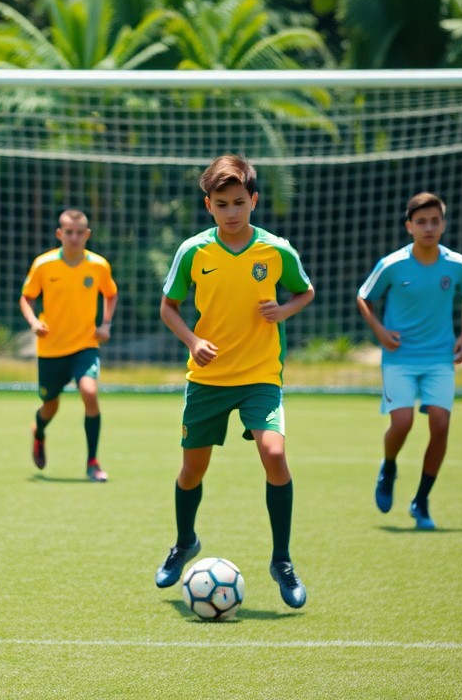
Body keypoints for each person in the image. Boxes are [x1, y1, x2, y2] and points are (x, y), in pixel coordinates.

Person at [156, 154, 314, 609]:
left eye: (239, 203)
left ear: (254, 201)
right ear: (208, 205)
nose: (231, 212)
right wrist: (192, 341)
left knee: (274, 454)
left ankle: (282, 560)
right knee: (192, 471)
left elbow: (305, 291)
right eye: (221, 204)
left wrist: (284, 310)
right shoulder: (193, 251)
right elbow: (169, 307)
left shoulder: (275, 250)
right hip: (208, 378)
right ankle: (185, 542)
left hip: (260, 375)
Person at [357, 191, 462, 530]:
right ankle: (389, 466)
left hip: (440, 358)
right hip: (399, 358)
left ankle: (421, 501)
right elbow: (364, 297)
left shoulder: (457, 265)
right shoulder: (392, 265)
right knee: (402, 423)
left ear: (443, 224)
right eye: (421, 222)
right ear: (409, 226)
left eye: (435, 221)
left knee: (440, 425)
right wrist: (380, 331)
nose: (429, 228)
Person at [19, 209, 119, 482]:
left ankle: (93, 462)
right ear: (59, 234)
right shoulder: (44, 264)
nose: (74, 237)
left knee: (89, 392)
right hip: (51, 350)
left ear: (87, 235)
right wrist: (33, 322)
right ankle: (39, 431)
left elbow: (111, 293)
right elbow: (26, 297)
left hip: (85, 346)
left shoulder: (98, 265)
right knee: (49, 406)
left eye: (79, 233)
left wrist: (106, 324)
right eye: (69, 232)